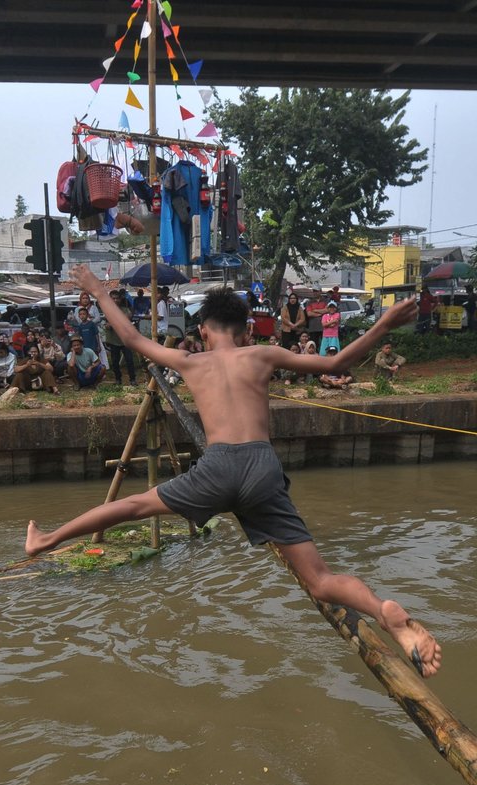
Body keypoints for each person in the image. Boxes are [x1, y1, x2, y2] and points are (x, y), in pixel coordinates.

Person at [25, 264, 441, 679]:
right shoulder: (263, 354)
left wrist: (98, 289)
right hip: (263, 467)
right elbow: (337, 364)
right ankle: (384, 614)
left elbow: (132, 339)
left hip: (218, 467)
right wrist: (384, 322)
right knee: (320, 579)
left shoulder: (190, 361)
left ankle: (46, 539)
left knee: (134, 505)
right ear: (245, 334)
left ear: (203, 331)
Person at [104, 291, 138, 386]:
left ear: (120, 299)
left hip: (125, 340)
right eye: (113, 298)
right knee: (115, 361)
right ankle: (118, 379)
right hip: (113, 339)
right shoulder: (107, 310)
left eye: (117, 298)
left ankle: (132, 379)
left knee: (129, 360)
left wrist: (114, 323)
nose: (115, 300)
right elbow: (108, 324)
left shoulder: (125, 309)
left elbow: (128, 318)